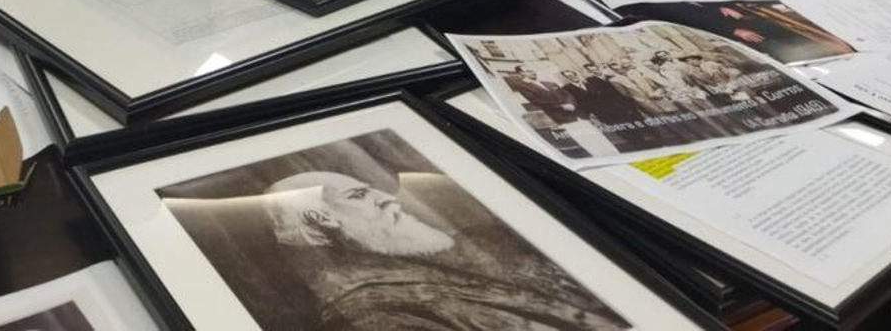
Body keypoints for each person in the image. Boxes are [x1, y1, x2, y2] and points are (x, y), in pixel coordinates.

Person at [258, 170, 630, 329]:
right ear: (321, 218)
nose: (387, 197)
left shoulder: (486, 241)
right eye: (359, 195)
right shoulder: (374, 316)